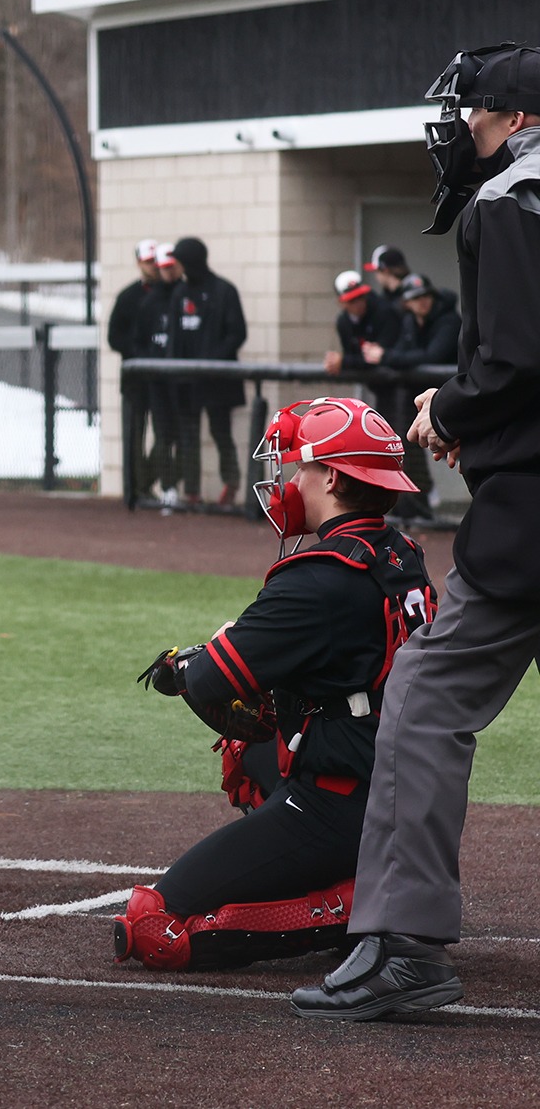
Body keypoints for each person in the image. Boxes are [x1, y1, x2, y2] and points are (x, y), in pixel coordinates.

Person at [291, 41, 540, 1022]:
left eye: (472, 114)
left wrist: (448, 408)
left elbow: (516, 359)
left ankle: (401, 943)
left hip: (527, 518)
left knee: (424, 695)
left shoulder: (507, 203)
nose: (460, 130)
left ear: (514, 119)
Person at [122, 398, 435, 971]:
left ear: (334, 478)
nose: (289, 481)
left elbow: (213, 678)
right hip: (401, 783)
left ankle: (358, 907)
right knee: (251, 747)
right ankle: (368, 874)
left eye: (300, 468)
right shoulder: (400, 553)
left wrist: (183, 667)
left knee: (152, 926)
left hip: (345, 801)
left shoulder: (319, 577)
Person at [360, 273, 456, 523]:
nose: (421, 302)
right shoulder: (411, 321)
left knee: (464, 450)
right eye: (415, 298)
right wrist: (385, 355)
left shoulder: (448, 319)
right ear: (407, 302)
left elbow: (432, 355)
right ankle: (419, 502)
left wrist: (385, 356)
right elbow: (406, 353)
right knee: (411, 443)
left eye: (425, 296)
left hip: (457, 397)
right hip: (427, 400)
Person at [166, 237, 248, 508]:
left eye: (181, 260)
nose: (178, 266)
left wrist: (210, 362)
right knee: (188, 435)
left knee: (220, 432)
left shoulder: (224, 291)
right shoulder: (179, 294)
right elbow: (174, 338)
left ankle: (231, 483)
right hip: (186, 381)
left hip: (216, 381)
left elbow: (237, 333)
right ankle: (191, 492)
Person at [110, 238, 165, 503]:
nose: (152, 267)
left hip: (162, 381)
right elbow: (114, 337)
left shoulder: (170, 295)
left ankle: (145, 482)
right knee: (134, 435)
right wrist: (138, 354)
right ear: (139, 263)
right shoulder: (128, 296)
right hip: (134, 381)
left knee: (166, 434)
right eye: (147, 262)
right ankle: (134, 490)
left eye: (155, 262)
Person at [143, 244, 188, 510]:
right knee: (162, 436)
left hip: (181, 382)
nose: (168, 272)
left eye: (172, 266)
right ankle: (167, 487)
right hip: (158, 381)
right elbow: (137, 339)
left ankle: (179, 485)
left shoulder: (186, 294)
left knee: (184, 436)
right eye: (164, 268)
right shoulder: (150, 300)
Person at [363, 245, 411, 311]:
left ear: (385, 270)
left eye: (377, 271)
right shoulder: (385, 297)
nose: (376, 276)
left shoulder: (412, 295)